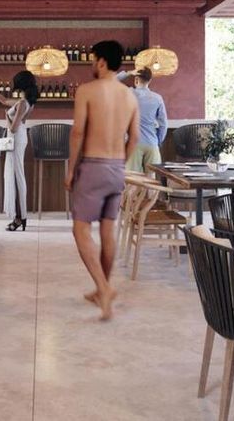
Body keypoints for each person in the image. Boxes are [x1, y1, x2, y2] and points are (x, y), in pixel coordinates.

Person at [65, 40, 139, 321]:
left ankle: (104, 289)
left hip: (93, 167)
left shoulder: (87, 90)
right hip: (117, 168)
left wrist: (71, 170)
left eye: (92, 59)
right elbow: (135, 137)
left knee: (81, 230)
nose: (91, 64)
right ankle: (102, 290)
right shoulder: (130, 96)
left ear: (102, 62)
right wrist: (120, 162)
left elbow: (77, 132)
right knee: (108, 231)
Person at [0, 70, 38, 231]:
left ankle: (20, 217)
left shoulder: (22, 103)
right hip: (18, 139)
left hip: (16, 139)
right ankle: (21, 216)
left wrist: (6, 118)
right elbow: (3, 100)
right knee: (17, 176)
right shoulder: (26, 102)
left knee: (17, 177)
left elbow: (14, 128)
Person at [116, 66, 167, 172]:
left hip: (134, 144)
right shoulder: (157, 98)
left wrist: (129, 73)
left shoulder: (128, 93)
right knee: (151, 179)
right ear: (150, 80)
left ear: (136, 79)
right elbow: (163, 124)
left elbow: (111, 82)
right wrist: (158, 141)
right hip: (152, 143)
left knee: (133, 178)